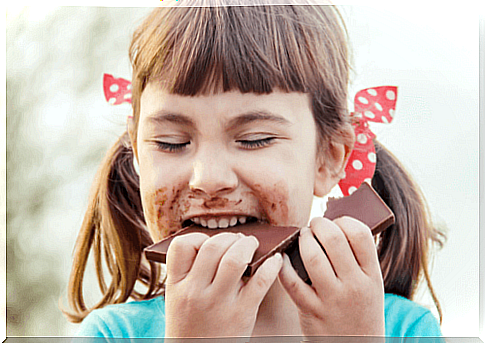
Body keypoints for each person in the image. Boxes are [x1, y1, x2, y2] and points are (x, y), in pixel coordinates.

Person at [63, 2, 446, 340]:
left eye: (254, 139)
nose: (208, 179)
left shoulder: (403, 331)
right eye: (171, 143)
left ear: (328, 158)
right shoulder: (114, 335)